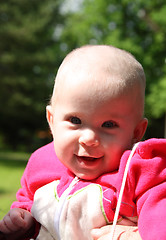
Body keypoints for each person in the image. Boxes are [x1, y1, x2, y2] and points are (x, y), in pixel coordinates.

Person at [0, 45, 166, 240]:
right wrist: (23, 219)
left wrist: (137, 237)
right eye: (75, 121)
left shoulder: (139, 173)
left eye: (108, 124)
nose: (88, 139)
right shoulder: (41, 163)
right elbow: (28, 200)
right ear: (52, 120)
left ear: (136, 132)